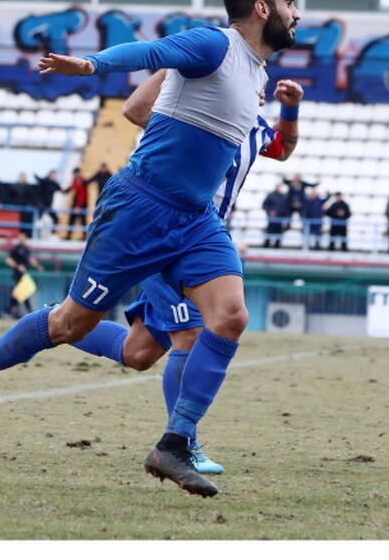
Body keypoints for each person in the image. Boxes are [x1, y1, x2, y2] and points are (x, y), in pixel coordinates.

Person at [0, 0, 301, 498]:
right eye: (290, 2)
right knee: (70, 326)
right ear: (262, 7)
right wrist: (91, 65)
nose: (297, 13)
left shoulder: (257, 72)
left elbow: (272, 146)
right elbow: (151, 52)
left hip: (197, 220)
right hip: (139, 209)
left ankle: (174, 445)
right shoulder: (214, 44)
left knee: (228, 318)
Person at [69, 67, 302, 474]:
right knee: (190, 334)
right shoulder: (188, 113)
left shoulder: (257, 127)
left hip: (200, 241)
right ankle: (182, 443)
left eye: (260, 80)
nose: (258, 84)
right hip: (165, 232)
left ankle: (60, 318)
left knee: (138, 352)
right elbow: (134, 109)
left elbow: (282, 149)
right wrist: (175, 66)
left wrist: (291, 108)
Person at [3, 231, 43, 318]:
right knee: (18, 294)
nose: (21, 239)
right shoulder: (15, 249)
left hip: (24, 277)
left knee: (23, 294)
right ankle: (11, 311)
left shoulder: (27, 250)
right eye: (20, 237)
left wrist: (38, 266)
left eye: (23, 238)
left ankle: (10, 311)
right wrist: (18, 266)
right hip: (16, 276)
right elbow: (8, 260)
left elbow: (31, 260)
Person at [62, 168, 90, 240]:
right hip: (76, 202)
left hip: (81, 203)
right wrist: (63, 191)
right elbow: (71, 188)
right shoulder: (75, 180)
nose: (74, 175)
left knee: (82, 220)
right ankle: (68, 236)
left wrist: (78, 206)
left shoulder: (82, 181)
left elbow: (82, 195)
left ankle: (84, 237)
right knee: (72, 220)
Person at [33, 170, 62, 236]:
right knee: (39, 219)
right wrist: (35, 175)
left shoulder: (55, 184)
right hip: (42, 203)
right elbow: (39, 179)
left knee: (56, 219)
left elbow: (62, 191)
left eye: (56, 175)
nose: (55, 176)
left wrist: (70, 188)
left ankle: (53, 234)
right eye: (53, 175)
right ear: (50, 175)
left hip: (49, 205)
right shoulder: (45, 181)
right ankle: (37, 232)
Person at [262, 184, 290, 248]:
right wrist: (270, 211)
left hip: (280, 218)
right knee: (269, 230)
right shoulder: (270, 195)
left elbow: (286, 208)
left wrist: (284, 216)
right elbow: (264, 205)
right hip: (271, 218)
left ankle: (277, 245)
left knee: (279, 231)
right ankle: (267, 244)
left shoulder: (283, 196)